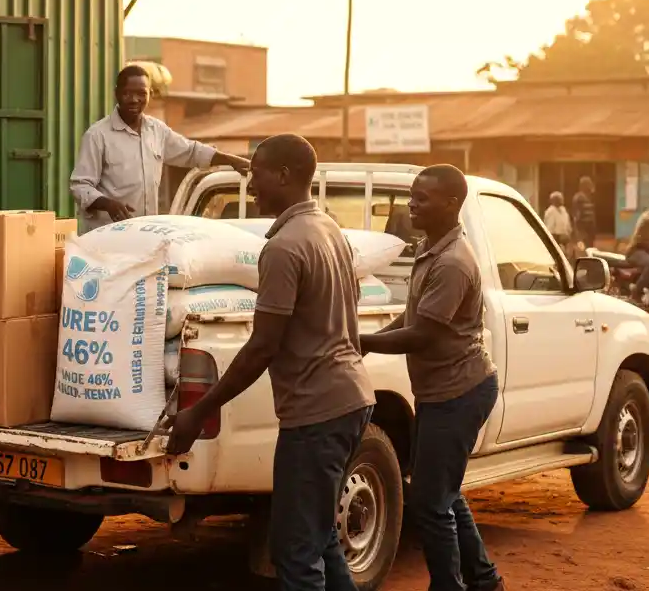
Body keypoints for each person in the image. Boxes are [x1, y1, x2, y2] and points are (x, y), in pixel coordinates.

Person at [166, 134, 375, 591]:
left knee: (295, 552)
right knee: (320, 538)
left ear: (284, 175)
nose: (251, 180)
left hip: (317, 414)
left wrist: (198, 411)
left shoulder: (282, 248)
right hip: (351, 399)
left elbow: (263, 346)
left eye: (258, 171)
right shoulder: (327, 229)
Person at [361, 164, 505, 591]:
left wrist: (363, 340)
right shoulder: (430, 248)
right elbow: (412, 316)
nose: (412, 205)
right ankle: (484, 580)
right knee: (442, 492)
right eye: (412, 196)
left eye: (422, 198)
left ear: (451, 203)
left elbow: (423, 334)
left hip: (459, 393)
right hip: (441, 392)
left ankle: (448, 584)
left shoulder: (454, 262)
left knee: (429, 501)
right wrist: (364, 340)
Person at [69, 64, 250, 232]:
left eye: (141, 93)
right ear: (116, 93)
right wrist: (108, 204)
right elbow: (80, 186)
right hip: (108, 238)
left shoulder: (157, 131)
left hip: (146, 236)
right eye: (127, 93)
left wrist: (232, 161)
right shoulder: (97, 135)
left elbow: (191, 152)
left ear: (150, 94)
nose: (134, 100)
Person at [543, 191, 574, 259]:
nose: (562, 200)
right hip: (556, 238)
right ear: (554, 200)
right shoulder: (550, 211)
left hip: (565, 238)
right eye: (559, 199)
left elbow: (567, 223)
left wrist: (568, 232)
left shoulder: (563, 210)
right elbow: (550, 228)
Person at [571, 176, 597, 250]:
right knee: (583, 250)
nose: (590, 187)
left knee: (590, 249)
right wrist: (578, 234)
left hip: (590, 228)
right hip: (583, 229)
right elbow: (576, 216)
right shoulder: (578, 197)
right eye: (589, 185)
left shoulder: (589, 197)